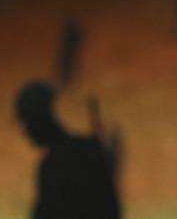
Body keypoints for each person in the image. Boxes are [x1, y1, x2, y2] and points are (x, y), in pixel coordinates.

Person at [15, 81, 121, 219]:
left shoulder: (53, 166)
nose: (26, 131)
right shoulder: (91, 150)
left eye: (27, 123)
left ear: (40, 120)